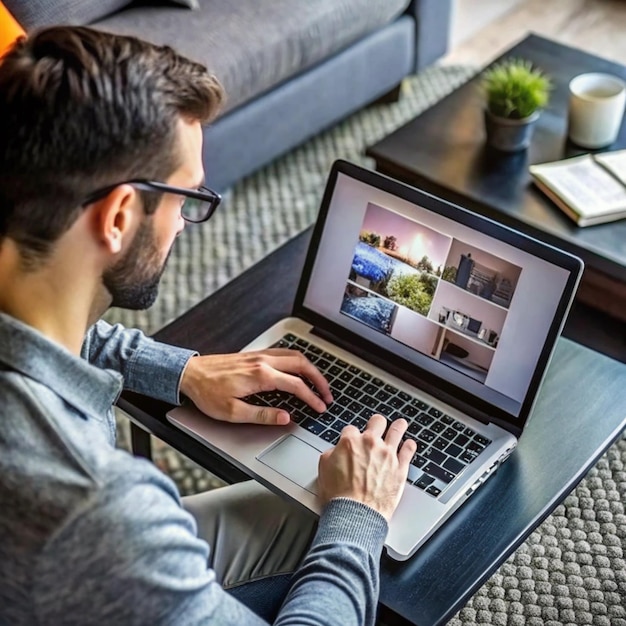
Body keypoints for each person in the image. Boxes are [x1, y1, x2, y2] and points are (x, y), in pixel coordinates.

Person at [0, 26, 416, 625]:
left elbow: (53, 333)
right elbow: (105, 531)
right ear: (119, 215)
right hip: (76, 555)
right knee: (358, 525)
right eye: (185, 198)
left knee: (308, 511)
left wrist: (185, 371)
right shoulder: (99, 507)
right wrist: (357, 515)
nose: (184, 225)